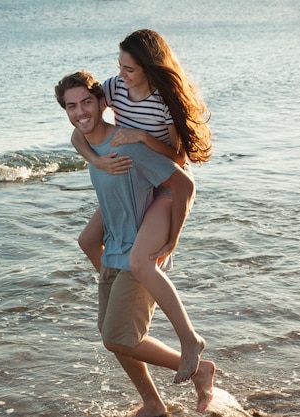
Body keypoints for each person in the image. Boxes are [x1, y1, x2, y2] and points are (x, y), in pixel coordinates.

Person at [55, 70, 215, 415]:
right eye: (72, 106)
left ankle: (199, 368)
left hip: (140, 257)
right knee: (112, 336)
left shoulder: (128, 146)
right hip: (113, 251)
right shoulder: (89, 145)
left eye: (87, 102)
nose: (80, 112)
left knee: (117, 337)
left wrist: (172, 237)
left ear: (102, 103)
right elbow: (78, 137)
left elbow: (183, 184)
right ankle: (153, 403)